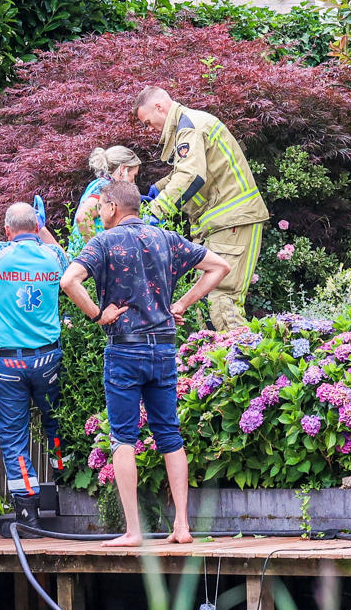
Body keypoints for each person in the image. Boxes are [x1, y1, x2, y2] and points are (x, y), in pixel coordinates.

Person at [60, 181, 231, 547]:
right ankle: (182, 527)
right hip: (164, 349)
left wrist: (96, 314)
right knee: (169, 434)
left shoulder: (104, 243)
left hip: (124, 349)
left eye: (100, 207)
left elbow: (69, 280)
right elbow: (220, 267)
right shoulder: (166, 239)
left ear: (110, 207)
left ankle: (134, 531)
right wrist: (182, 303)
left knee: (124, 437)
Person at [133, 86, 266, 332]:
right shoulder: (190, 125)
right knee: (203, 301)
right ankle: (215, 366)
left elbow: (192, 175)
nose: (149, 130)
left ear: (160, 107)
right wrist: (157, 189)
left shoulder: (189, 127)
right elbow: (185, 171)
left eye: (148, 122)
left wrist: (157, 210)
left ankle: (242, 365)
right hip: (220, 223)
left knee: (220, 298)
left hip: (232, 220)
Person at [0, 202, 67, 524]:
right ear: (37, 227)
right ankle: (65, 487)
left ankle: (27, 513)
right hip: (49, 360)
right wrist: (41, 229)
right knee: (56, 427)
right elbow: (66, 261)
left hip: (10, 365)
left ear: (7, 230)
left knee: (14, 437)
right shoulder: (54, 258)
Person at [72, 145, 143, 247]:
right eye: (134, 175)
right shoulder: (105, 187)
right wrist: (97, 250)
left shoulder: (98, 183)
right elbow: (82, 217)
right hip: (87, 257)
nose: (134, 182)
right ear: (123, 169)